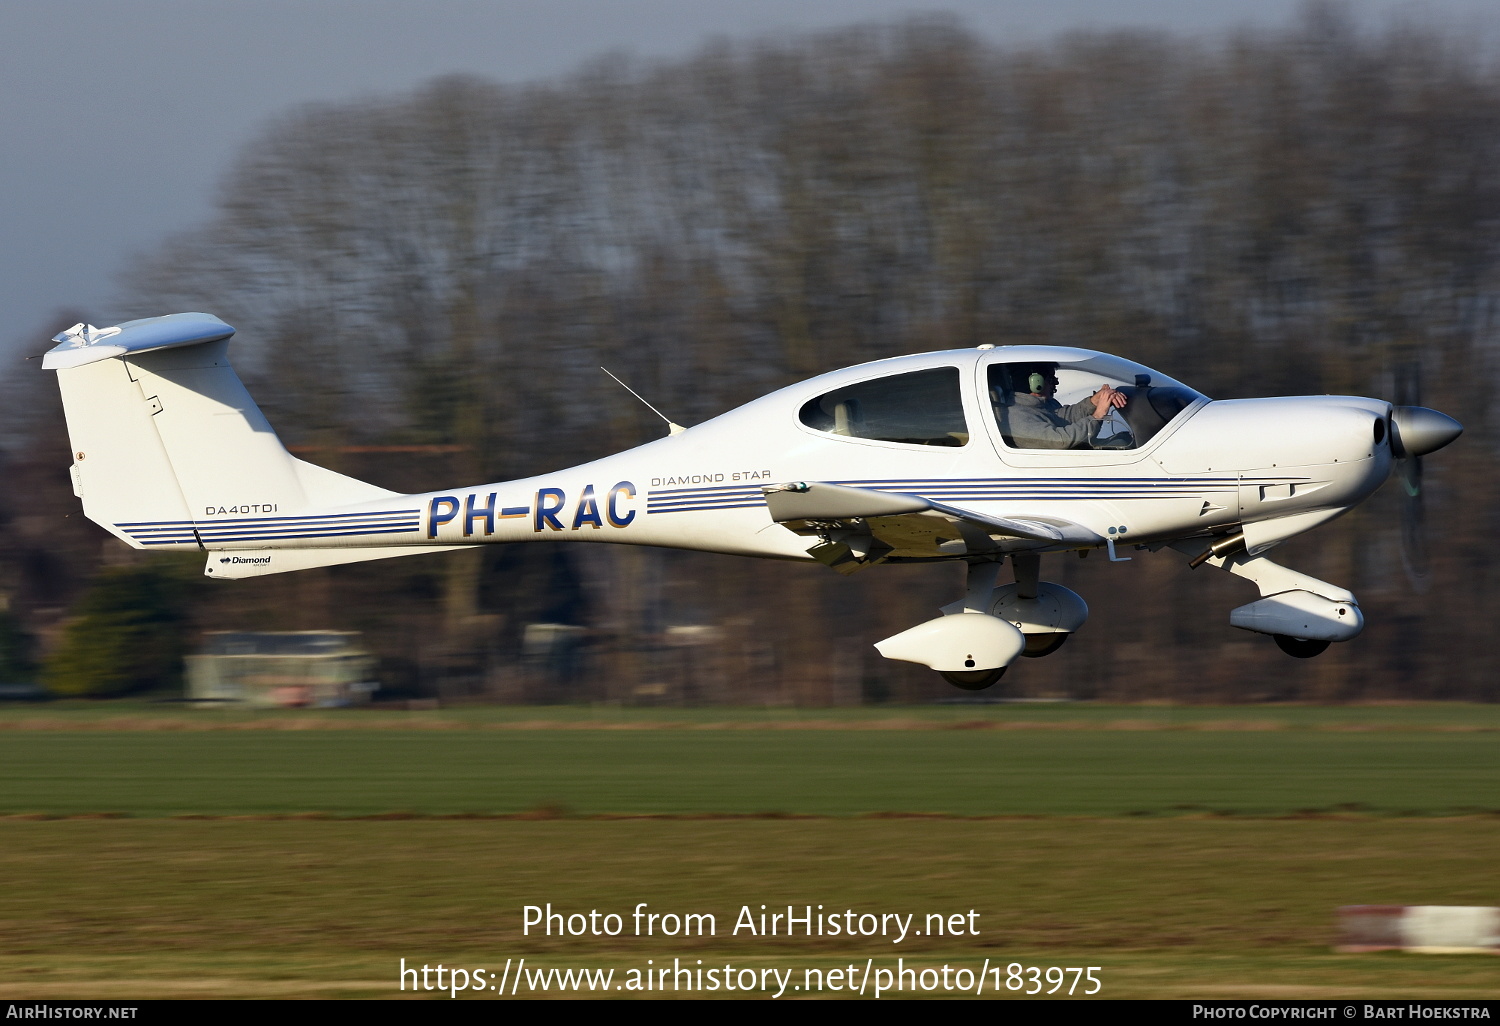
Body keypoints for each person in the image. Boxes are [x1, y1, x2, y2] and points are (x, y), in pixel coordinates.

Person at [1001, 364, 1128, 449]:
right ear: (1035, 383)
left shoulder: (1042, 404)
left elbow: (1064, 417)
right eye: (1051, 377)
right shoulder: (1015, 416)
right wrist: (1098, 414)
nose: (1056, 382)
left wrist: (1094, 402)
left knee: (1123, 440)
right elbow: (1061, 440)